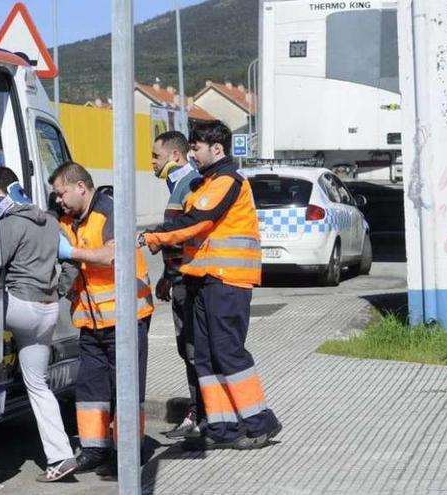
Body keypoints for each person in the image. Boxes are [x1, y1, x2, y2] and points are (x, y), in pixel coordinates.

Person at [138, 121, 282, 451]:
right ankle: (222, 426)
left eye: (197, 148)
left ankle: (260, 421)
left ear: (217, 149)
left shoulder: (228, 180)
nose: (192, 154)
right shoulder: (206, 182)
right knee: (204, 356)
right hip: (203, 279)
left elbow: (196, 222)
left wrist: (154, 237)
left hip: (227, 280)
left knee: (227, 352)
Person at [52, 162, 154, 477]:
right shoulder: (69, 220)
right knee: (90, 390)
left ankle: (127, 454)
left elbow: (112, 254)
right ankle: (95, 450)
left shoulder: (110, 211)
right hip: (91, 322)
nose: (58, 200)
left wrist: (71, 253)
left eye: (61, 193)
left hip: (126, 319)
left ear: (81, 187)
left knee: (124, 389)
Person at [0, 167, 78, 482]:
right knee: (38, 385)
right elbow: (70, 260)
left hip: (19, 305)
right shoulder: (52, 221)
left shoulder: (10, 224)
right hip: (48, 309)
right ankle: (61, 456)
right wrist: (60, 290)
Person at [150, 131, 204, 439]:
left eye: (155, 156)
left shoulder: (190, 184)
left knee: (195, 350)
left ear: (175, 156)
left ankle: (200, 416)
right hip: (180, 280)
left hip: (190, 282)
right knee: (189, 350)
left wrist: (174, 275)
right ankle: (198, 413)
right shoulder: (179, 186)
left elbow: (186, 234)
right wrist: (166, 277)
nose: (151, 163)